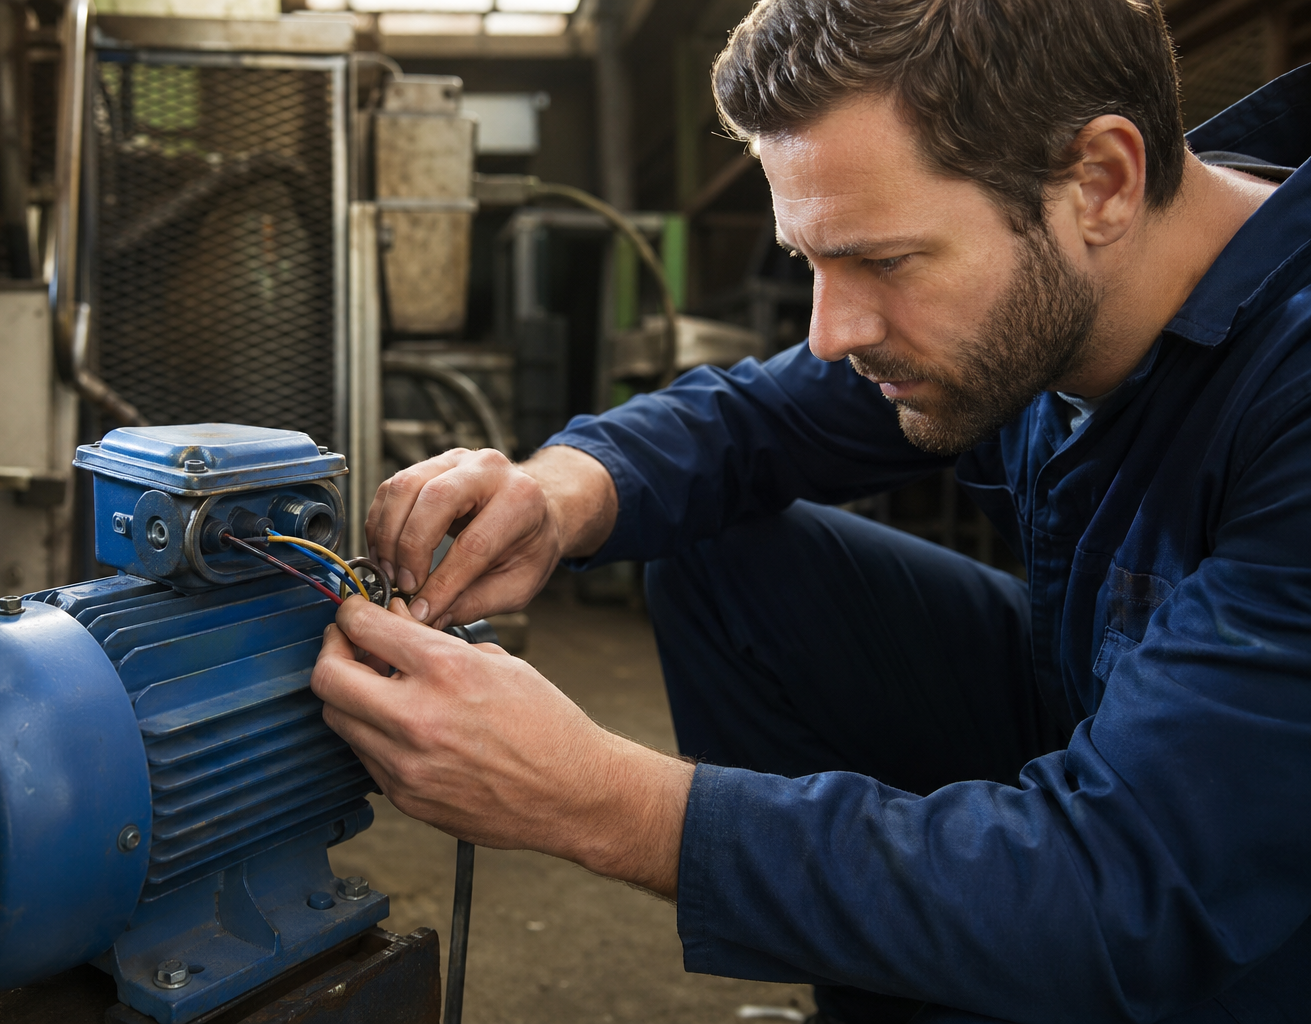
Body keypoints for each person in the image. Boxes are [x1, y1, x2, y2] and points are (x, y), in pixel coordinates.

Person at [310, 1, 1311, 1020]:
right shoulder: (1069, 264)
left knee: (1096, 912)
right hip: (1099, 705)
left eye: (882, 261)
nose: (832, 331)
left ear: (1100, 180)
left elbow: (1135, 889)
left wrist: (599, 798)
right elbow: (761, 416)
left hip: (1239, 886)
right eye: (812, 261)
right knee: (721, 558)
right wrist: (558, 493)